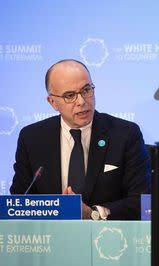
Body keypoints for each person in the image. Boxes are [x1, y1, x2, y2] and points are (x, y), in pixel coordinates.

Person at [10, 59, 151, 220]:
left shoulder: (125, 134)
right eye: (70, 96)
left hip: (110, 238)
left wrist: (93, 213)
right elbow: (18, 202)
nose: (82, 101)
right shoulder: (32, 138)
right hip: (50, 239)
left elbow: (141, 202)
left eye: (86, 90)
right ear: (53, 102)